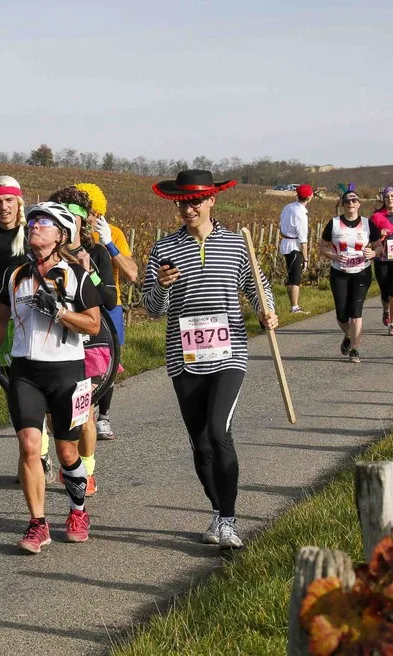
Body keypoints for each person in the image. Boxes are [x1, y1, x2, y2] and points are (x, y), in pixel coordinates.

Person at [143, 170, 277, 549]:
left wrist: (268, 312)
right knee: (200, 442)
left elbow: (258, 287)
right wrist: (163, 286)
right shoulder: (163, 249)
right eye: (183, 202)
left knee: (219, 431)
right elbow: (152, 308)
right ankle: (219, 512)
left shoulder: (237, 244)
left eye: (196, 200)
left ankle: (231, 520)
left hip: (229, 352)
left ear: (212, 200)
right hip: (183, 357)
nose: (189, 207)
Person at [0, 202, 102, 552]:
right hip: (25, 370)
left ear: (61, 235)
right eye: (33, 221)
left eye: (45, 223)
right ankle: (38, 524)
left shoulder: (76, 275)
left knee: (67, 452)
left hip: (67, 370)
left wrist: (62, 312)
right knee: (30, 446)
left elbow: (94, 324)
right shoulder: (14, 273)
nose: (35, 226)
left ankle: (78, 511)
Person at [0, 176, 53, 477]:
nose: (4, 207)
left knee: (34, 388)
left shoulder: (33, 232)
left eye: (9, 201)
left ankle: (38, 453)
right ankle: (34, 451)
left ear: (19, 202)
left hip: (34, 322)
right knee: (16, 393)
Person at [48, 185, 117, 497]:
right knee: (53, 416)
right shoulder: (44, 256)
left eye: (76, 217)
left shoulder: (97, 253)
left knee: (84, 412)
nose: (70, 222)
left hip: (91, 342)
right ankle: (67, 461)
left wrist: (89, 274)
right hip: (55, 343)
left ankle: (86, 471)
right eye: (63, 216)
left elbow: (111, 300)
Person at [76, 182, 138, 440]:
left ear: (99, 213)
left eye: (90, 212)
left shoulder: (114, 233)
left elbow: (132, 273)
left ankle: (104, 417)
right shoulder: (69, 232)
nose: (86, 217)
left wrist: (109, 244)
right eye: (81, 211)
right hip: (80, 305)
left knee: (110, 364)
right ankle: (81, 413)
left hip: (108, 306)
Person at [319, 187, 382, 363]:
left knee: (356, 312)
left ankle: (355, 349)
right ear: (342, 205)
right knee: (341, 314)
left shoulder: (368, 223)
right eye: (347, 201)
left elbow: (379, 246)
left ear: (359, 204)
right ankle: (349, 335)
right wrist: (334, 255)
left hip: (362, 272)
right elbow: (322, 247)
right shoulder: (334, 223)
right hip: (339, 272)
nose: (351, 203)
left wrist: (374, 253)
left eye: (354, 200)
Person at [370, 187, 393, 335]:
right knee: (385, 291)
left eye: (392, 196)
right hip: (382, 258)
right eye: (387, 197)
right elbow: (370, 238)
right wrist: (380, 234)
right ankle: (386, 310)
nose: (390, 199)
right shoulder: (376, 217)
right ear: (383, 199)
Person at [278, 184, 313, 314]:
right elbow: (303, 239)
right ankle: (294, 307)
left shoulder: (288, 207)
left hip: (286, 242)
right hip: (294, 246)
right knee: (295, 278)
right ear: (310, 197)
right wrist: (306, 258)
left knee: (292, 275)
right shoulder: (301, 214)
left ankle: (294, 305)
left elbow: (281, 223)